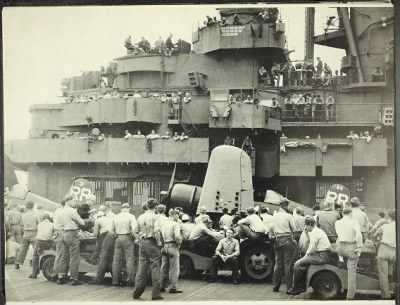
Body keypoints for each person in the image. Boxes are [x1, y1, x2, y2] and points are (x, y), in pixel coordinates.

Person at [287, 216, 331, 295]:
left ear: (310, 225)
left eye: (306, 226)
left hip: (321, 256)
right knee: (302, 262)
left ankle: (296, 288)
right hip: (323, 254)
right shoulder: (318, 231)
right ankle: (302, 285)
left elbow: (311, 247)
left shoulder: (315, 232)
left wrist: (305, 256)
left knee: (297, 264)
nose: (306, 227)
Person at [133, 198, 163, 300]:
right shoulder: (156, 217)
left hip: (143, 243)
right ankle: (155, 294)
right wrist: (159, 242)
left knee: (141, 268)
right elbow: (157, 231)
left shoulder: (140, 217)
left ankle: (137, 292)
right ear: (155, 207)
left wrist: (139, 240)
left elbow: (135, 231)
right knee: (155, 268)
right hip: (152, 242)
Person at [335, 206, 363, 300]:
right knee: (352, 273)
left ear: (342, 214)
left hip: (340, 249)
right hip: (350, 247)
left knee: (342, 267)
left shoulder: (337, 222)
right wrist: (359, 247)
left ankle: (341, 286)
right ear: (351, 214)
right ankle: (350, 296)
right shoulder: (354, 222)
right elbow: (358, 234)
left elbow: (338, 236)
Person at [89, 201, 120, 285]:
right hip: (114, 237)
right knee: (111, 258)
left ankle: (99, 279)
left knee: (102, 258)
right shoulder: (115, 216)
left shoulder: (98, 220)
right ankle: (115, 279)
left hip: (105, 237)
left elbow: (95, 234)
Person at [269, 199, 297, 293]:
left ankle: (276, 286)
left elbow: (271, 229)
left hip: (277, 241)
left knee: (278, 264)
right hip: (287, 240)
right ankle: (289, 288)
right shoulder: (289, 216)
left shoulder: (274, 216)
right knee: (287, 264)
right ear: (286, 206)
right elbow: (294, 229)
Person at [57, 199, 85, 285]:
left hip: (64, 233)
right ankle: (74, 278)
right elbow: (82, 222)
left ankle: (60, 277)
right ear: (68, 201)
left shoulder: (60, 211)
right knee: (74, 257)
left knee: (64, 256)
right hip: (72, 234)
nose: (75, 203)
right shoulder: (72, 210)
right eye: (73, 201)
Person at [110, 202, 137, 287]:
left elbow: (110, 231)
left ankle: (115, 281)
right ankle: (130, 281)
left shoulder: (116, 217)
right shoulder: (131, 216)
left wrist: (116, 236)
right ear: (129, 209)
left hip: (118, 239)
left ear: (122, 209)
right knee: (129, 259)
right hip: (127, 238)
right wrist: (135, 238)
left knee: (116, 260)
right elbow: (134, 230)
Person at [160, 209, 183, 293]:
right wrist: (179, 244)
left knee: (163, 267)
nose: (179, 216)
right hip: (173, 246)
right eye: (178, 215)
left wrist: (162, 245)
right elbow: (177, 236)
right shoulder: (175, 224)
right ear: (174, 215)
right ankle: (173, 287)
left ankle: (161, 285)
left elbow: (160, 236)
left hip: (164, 246)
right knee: (174, 268)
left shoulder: (163, 224)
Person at [375, 210, 396, 299]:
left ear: (390, 217)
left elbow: (375, 235)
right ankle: (395, 290)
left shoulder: (385, 226)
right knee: (394, 272)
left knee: (383, 274)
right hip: (395, 251)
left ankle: (385, 295)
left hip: (383, 249)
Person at [15, 201, 41, 270]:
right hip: (34, 232)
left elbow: (21, 224)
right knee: (36, 249)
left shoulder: (24, 215)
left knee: (23, 249)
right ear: (33, 206)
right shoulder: (36, 215)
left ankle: (17, 263)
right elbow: (39, 224)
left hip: (26, 232)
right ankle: (34, 263)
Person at [29, 214, 54, 279]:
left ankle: (34, 273)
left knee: (35, 257)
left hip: (39, 242)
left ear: (43, 218)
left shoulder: (39, 224)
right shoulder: (52, 224)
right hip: (48, 243)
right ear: (49, 218)